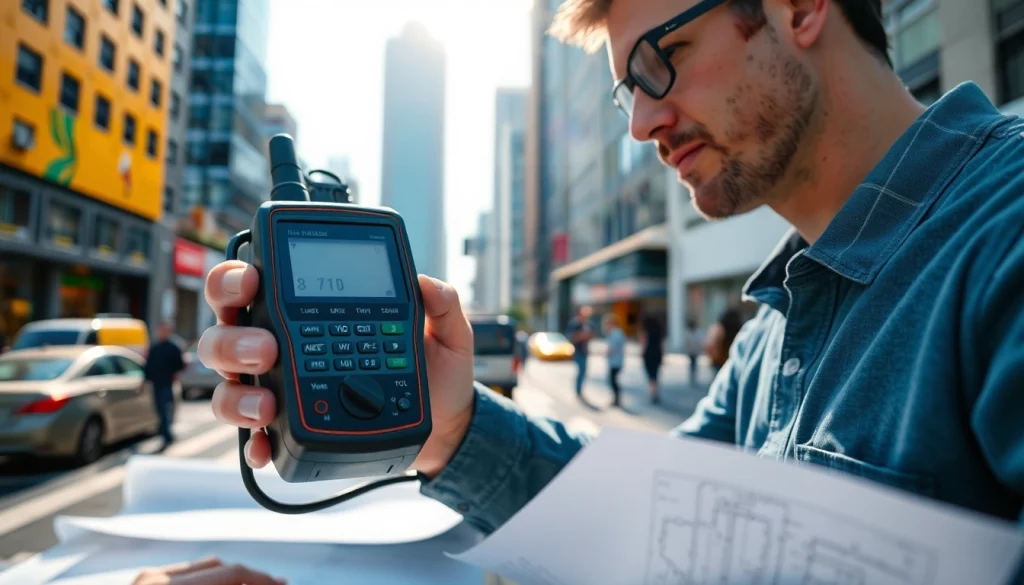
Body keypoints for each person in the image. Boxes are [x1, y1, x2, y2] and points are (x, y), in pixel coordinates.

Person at [177, 0, 1024, 580]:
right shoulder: (775, 329)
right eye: (627, 89)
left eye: (664, 60)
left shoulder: (1005, 230)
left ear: (800, 7)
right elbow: (644, 519)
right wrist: (448, 424)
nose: (642, 123)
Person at [144, 320, 185, 449]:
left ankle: (167, 435)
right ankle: (164, 433)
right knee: (159, 410)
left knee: (166, 410)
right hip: (156, 384)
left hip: (167, 384)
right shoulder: (154, 348)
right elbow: (148, 366)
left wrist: (175, 373)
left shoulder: (173, 348)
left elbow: (180, 365)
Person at [564, 305, 595, 399]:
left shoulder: (588, 324)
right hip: (578, 351)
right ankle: (578, 390)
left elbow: (592, 335)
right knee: (581, 371)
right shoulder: (574, 324)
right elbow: (572, 337)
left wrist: (584, 336)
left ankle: (579, 389)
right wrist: (583, 336)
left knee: (584, 371)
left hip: (585, 351)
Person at [703, 307, 743, 372]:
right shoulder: (741, 334)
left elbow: (708, 347)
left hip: (720, 362)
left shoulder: (717, 329)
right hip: (729, 361)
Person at [637, 315, 663, 403]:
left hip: (648, 354)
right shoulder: (658, 330)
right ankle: (655, 391)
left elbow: (644, 343)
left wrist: (642, 353)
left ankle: (653, 392)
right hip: (657, 353)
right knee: (655, 374)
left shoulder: (645, 331)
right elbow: (661, 343)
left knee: (650, 376)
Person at [602, 314, 625, 406]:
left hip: (616, 362)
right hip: (614, 361)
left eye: (607, 324)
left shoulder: (616, 333)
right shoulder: (613, 333)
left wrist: (607, 352)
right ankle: (616, 399)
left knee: (613, 381)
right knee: (612, 380)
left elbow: (614, 347)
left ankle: (617, 399)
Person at [684, 319, 703, 386]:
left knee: (694, 365)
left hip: (694, 351)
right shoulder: (689, 333)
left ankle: (694, 378)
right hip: (691, 352)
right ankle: (692, 378)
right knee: (692, 365)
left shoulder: (694, 333)